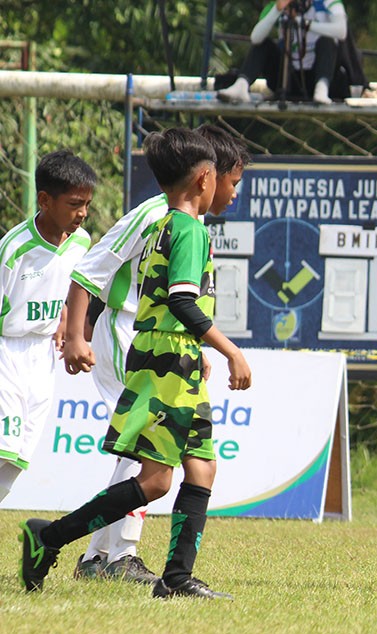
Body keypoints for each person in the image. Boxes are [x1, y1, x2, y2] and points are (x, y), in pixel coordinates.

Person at [19, 128, 253, 599]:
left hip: (178, 355)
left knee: (201, 468)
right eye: (228, 180)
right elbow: (182, 302)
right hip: (165, 360)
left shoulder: (172, 223)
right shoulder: (186, 229)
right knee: (155, 480)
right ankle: (53, 537)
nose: (231, 191)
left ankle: (177, 578)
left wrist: (197, 349)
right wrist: (230, 350)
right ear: (205, 178)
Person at [0, 150, 95, 505]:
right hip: (7, 351)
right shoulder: (14, 248)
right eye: (74, 204)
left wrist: (66, 318)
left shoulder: (81, 243)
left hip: (43, 357)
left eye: (87, 204)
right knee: (4, 448)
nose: (82, 213)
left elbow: (72, 285)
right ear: (44, 200)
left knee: (17, 460)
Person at [217, 0, 349, 105]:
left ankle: (321, 88)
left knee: (327, 41)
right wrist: (277, 9)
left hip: (317, 75)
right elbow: (255, 38)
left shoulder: (327, 2)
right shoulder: (277, 5)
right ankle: (241, 85)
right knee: (264, 43)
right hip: (287, 78)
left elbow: (341, 31)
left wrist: (305, 24)